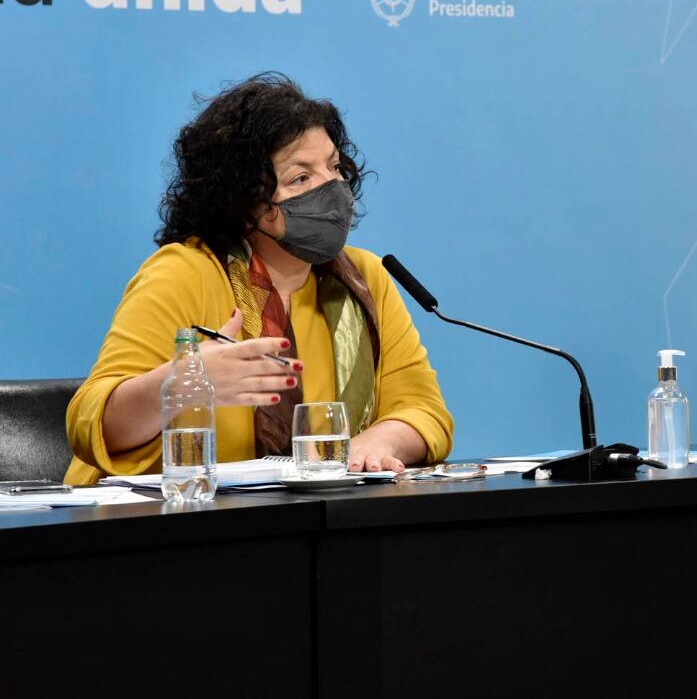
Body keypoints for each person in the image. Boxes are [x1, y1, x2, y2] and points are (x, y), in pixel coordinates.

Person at [65, 74, 452, 484]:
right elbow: (92, 424)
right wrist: (182, 385)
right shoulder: (185, 272)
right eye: (300, 178)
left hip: (312, 520)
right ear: (245, 202)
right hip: (161, 525)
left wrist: (380, 440)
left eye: (334, 167)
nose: (334, 189)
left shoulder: (365, 278)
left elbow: (424, 411)